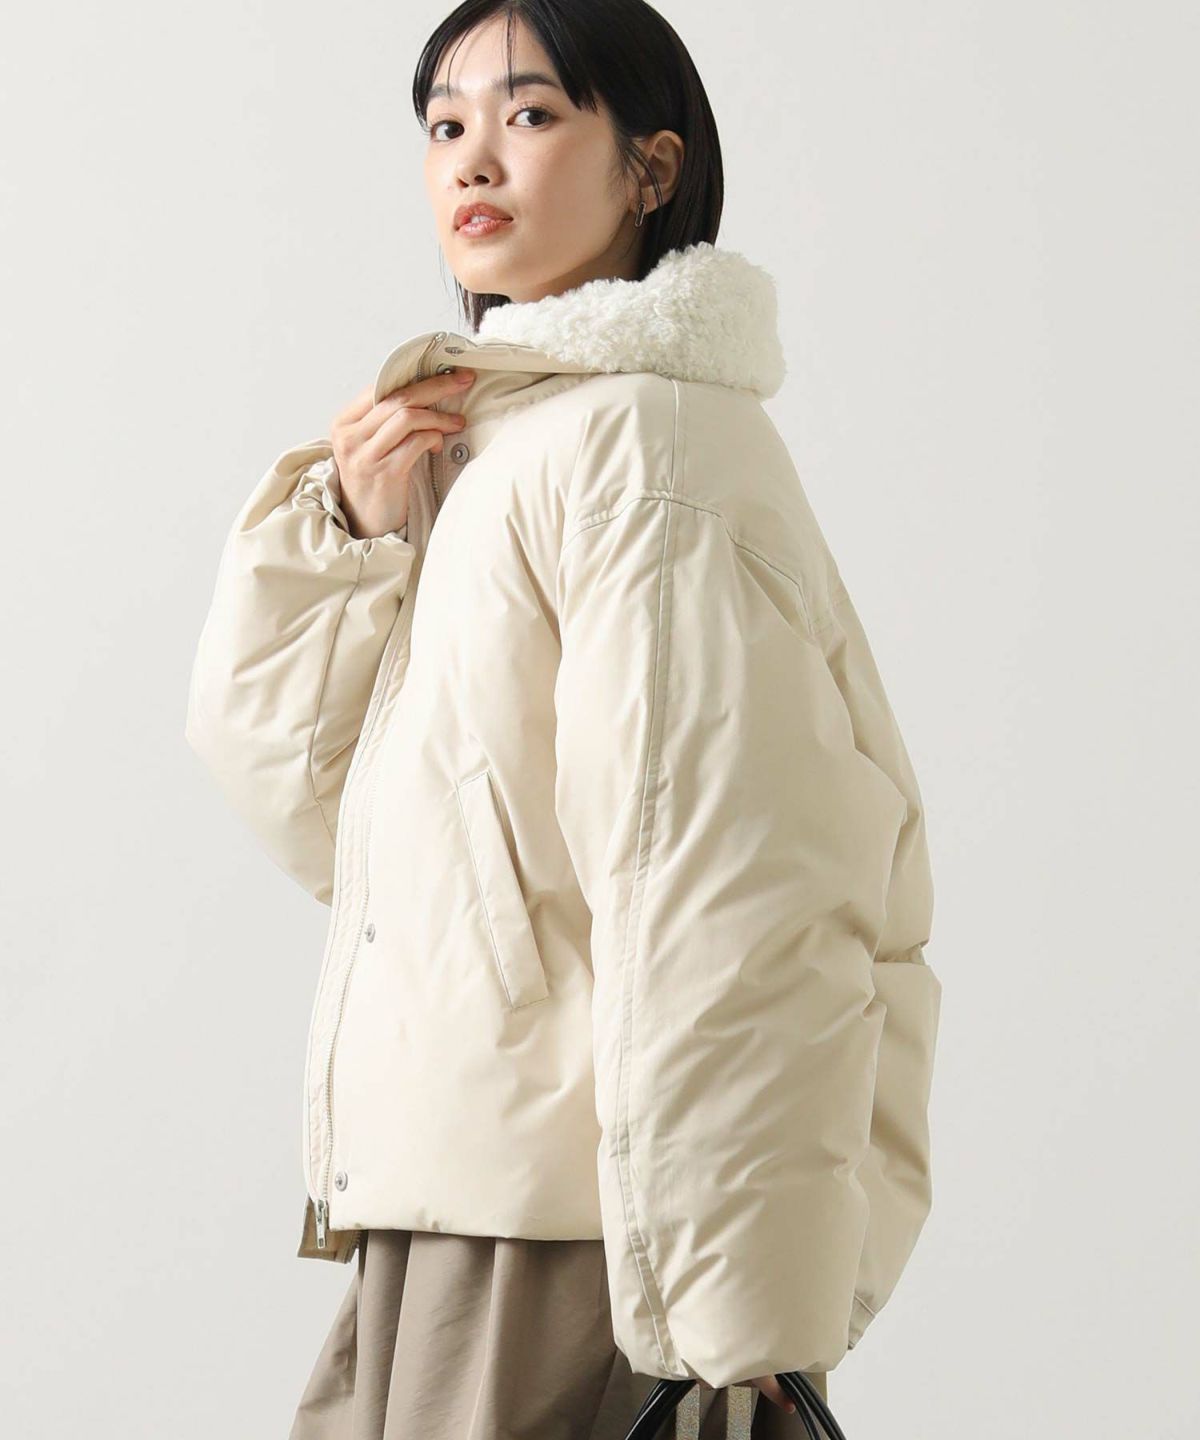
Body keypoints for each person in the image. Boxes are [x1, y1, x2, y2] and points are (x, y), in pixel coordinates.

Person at [184, 2, 943, 1437]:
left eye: (529, 114)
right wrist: (348, 540)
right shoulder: (499, 446)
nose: (474, 159)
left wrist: (734, 1299)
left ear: (651, 169)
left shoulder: (644, 449)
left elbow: (726, 884)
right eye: (445, 125)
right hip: (448, 1194)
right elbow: (331, 823)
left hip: (586, 1225)